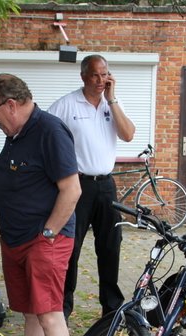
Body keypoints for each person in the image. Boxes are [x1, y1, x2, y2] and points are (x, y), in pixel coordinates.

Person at [0, 74, 81, 336]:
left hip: (44, 241)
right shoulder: (15, 134)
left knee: (50, 314)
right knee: (30, 312)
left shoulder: (50, 131)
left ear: (10, 104)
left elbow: (72, 189)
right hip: (15, 239)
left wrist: (49, 233)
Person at [48, 54, 136, 319]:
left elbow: (128, 135)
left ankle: (111, 309)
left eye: (105, 74)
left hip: (106, 185)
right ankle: (62, 307)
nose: (100, 80)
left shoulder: (112, 104)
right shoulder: (66, 105)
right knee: (70, 247)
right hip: (77, 186)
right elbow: (44, 135)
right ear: (83, 76)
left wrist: (112, 99)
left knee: (110, 246)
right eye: (95, 75)